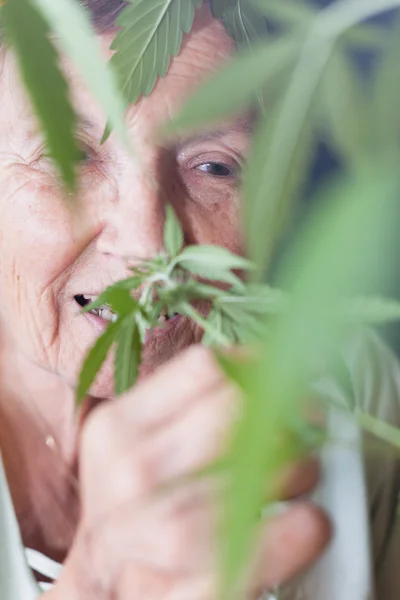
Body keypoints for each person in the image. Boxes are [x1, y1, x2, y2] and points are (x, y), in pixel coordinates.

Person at [0, 2, 397, 599]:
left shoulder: (343, 381)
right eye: (74, 156)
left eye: (214, 166)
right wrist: (95, 581)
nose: (142, 248)